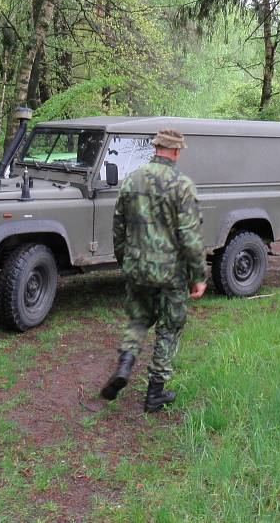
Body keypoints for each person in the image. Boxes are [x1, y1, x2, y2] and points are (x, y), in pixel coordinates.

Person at [101, 128, 207, 412]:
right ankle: (155, 392)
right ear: (175, 151)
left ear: (155, 148)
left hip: (137, 267)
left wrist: (124, 259)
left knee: (138, 320)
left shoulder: (132, 179)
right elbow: (190, 236)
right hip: (171, 272)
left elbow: (118, 225)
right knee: (169, 328)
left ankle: (125, 366)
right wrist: (199, 276)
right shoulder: (182, 185)